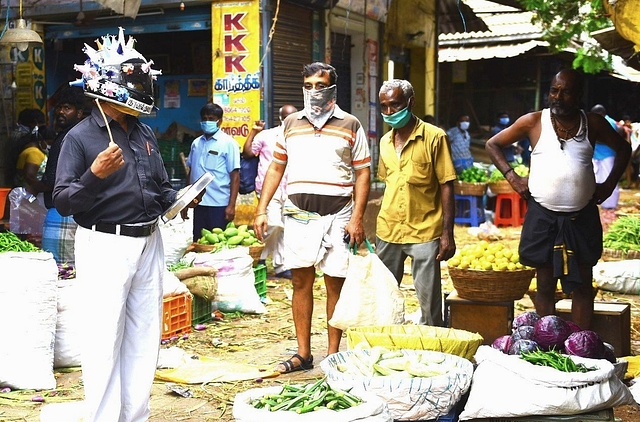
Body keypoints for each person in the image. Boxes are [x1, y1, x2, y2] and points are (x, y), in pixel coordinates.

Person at [53, 29, 195, 422]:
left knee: (144, 337)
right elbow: (63, 201)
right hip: (104, 244)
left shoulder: (144, 132)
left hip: (149, 240)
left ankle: (136, 416)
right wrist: (95, 175)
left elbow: (160, 188)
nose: (143, 91)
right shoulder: (78, 139)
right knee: (103, 339)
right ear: (111, 88)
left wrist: (179, 200)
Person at [485, 69, 631, 330]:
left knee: (584, 285)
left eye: (566, 92)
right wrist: (513, 178)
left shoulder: (593, 123)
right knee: (544, 284)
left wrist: (609, 185)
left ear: (578, 96)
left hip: (581, 215)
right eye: (554, 90)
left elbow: (623, 148)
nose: (558, 96)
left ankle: (581, 341)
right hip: (543, 214)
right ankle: (547, 340)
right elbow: (493, 144)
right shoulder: (533, 122)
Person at [253, 62, 371, 373]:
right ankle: (304, 353)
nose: (314, 91)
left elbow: (363, 173)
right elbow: (276, 167)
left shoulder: (350, 124)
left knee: (336, 284)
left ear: (333, 88)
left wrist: (357, 217)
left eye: (320, 85)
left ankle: (333, 355)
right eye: (308, 85)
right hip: (299, 216)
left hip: (340, 215)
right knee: (301, 282)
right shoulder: (290, 124)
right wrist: (262, 208)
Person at [376, 79, 457, 326]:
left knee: (429, 300)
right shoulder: (384, 142)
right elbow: (388, 181)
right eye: (384, 106)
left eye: (395, 105)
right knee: (383, 296)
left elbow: (446, 184)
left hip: (425, 230)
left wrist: (447, 233)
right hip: (388, 229)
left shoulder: (434, 137)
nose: (389, 112)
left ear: (410, 103)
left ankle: (435, 346)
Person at [29, 86, 86, 264]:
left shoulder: (68, 139)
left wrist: (33, 186)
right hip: (74, 213)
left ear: (79, 112)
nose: (61, 112)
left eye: (67, 108)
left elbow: (52, 180)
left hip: (62, 214)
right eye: (59, 107)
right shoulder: (80, 135)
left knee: (59, 270)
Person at [242, 104, 298, 279]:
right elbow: (249, 153)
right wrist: (253, 132)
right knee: (273, 223)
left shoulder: (301, 137)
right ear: (281, 118)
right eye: (288, 116)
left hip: (291, 188)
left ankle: (281, 266)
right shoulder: (266, 136)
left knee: (286, 229)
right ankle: (259, 256)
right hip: (269, 189)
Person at [183, 103, 240, 242]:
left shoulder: (228, 143)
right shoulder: (196, 143)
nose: (207, 121)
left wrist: (231, 206)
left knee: (218, 244)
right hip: (199, 204)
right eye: (204, 118)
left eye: (211, 118)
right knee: (199, 242)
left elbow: (235, 176)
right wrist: (186, 200)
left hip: (219, 204)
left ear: (219, 121)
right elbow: (190, 172)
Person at [590, 104, 621, 208]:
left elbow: (609, 139)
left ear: (601, 114)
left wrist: (593, 138)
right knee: (595, 178)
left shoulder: (610, 122)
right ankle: (596, 202)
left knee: (609, 178)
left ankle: (610, 205)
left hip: (608, 154)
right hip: (596, 154)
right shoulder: (595, 121)